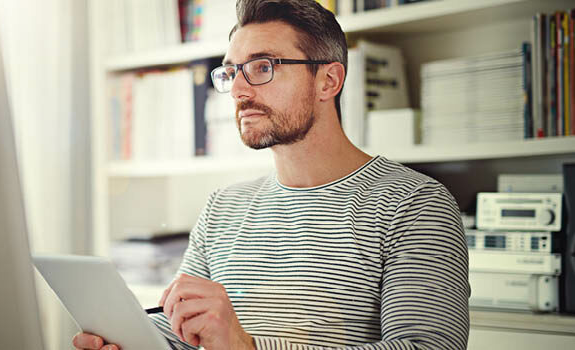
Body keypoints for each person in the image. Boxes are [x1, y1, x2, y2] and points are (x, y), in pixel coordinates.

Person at [74, 0, 469, 349]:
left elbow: (425, 345)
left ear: (328, 80)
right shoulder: (223, 207)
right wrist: (132, 341)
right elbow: (184, 333)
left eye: (262, 67)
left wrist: (246, 347)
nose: (239, 90)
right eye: (231, 72)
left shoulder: (416, 204)